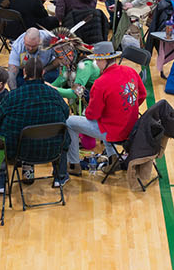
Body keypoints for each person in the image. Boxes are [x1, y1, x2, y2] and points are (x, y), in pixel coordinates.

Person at [63, 43, 146, 173]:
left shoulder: (100, 83)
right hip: (132, 126)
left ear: (103, 60)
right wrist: (126, 109)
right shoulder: (131, 71)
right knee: (107, 117)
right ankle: (113, 158)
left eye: (96, 60)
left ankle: (74, 165)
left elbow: (92, 115)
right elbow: (142, 95)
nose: (95, 63)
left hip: (114, 131)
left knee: (69, 122)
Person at [0, 55, 71, 191]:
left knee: (1, 137)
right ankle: (60, 177)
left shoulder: (13, 96)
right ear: (42, 73)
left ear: (24, 73)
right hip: (52, 149)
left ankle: (0, 183)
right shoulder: (55, 95)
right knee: (63, 135)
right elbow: (66, 114)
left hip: (18, 151)